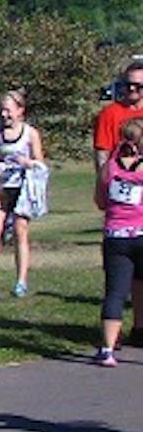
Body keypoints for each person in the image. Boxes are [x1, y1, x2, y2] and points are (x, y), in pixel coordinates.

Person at [92, 118, 143, 367]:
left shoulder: (109, 168)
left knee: (115, 292)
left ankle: (107, 349)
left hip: (116, 237)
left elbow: (100, 201)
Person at [0, 91, 45, 297]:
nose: (4, 115)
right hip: (2, 189)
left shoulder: (30, 134)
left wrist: (27, 163)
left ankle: (21, 281)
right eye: (2, 110)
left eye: (8, 110)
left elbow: (40, 163)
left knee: (21, 231)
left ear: (20, 111)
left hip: (23, 188)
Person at [93, 60, 143, 172]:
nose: (132, 89)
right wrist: (104, 182)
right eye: (129, 84)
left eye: (138, 86)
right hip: (121, 180)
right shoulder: (109, 113)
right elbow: (102, 155)